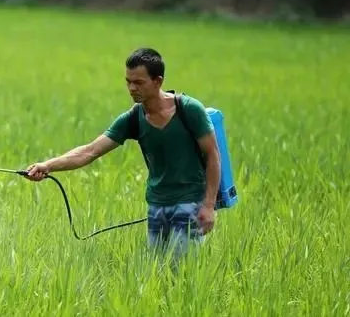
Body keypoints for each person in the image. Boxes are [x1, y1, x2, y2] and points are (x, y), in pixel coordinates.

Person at [24, 47, 221, 259]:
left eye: (139, 82)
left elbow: (213, 156)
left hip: (189, 203)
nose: (131, 88)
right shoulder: (133, 118)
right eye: (128, 81)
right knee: (158, 274)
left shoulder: (189, 110)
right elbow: (89, 151)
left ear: (158, 81)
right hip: (156, 204)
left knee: (182, 273)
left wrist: (208, 206)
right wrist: (47, 165)